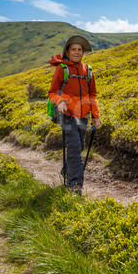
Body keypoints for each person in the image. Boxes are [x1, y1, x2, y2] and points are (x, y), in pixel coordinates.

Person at [48, 35, 101, 195]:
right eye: (74, 50)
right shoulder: (62, 68)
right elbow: (52, 92)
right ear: (68, 52)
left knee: (80, 147)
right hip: (68, 115)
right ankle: (75, 185)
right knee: (74, 149)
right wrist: (61, 102)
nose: (77, 52)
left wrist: (95, 116)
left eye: (80, 50)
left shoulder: (88, 70)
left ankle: (67, 170)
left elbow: (92, 95)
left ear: (83, 52)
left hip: (83, 114)